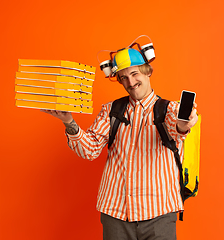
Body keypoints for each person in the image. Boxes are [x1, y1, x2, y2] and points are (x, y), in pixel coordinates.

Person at [42, 44, 198, 240]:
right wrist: (69, 122)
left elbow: (178, 127)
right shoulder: (111, 110)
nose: (130, 82)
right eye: (123, 77)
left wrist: (184, 124)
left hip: (159, 214)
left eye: (134, 74)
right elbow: (89, 150)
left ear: (147, 72)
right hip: (115, 214)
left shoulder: (169, 110)